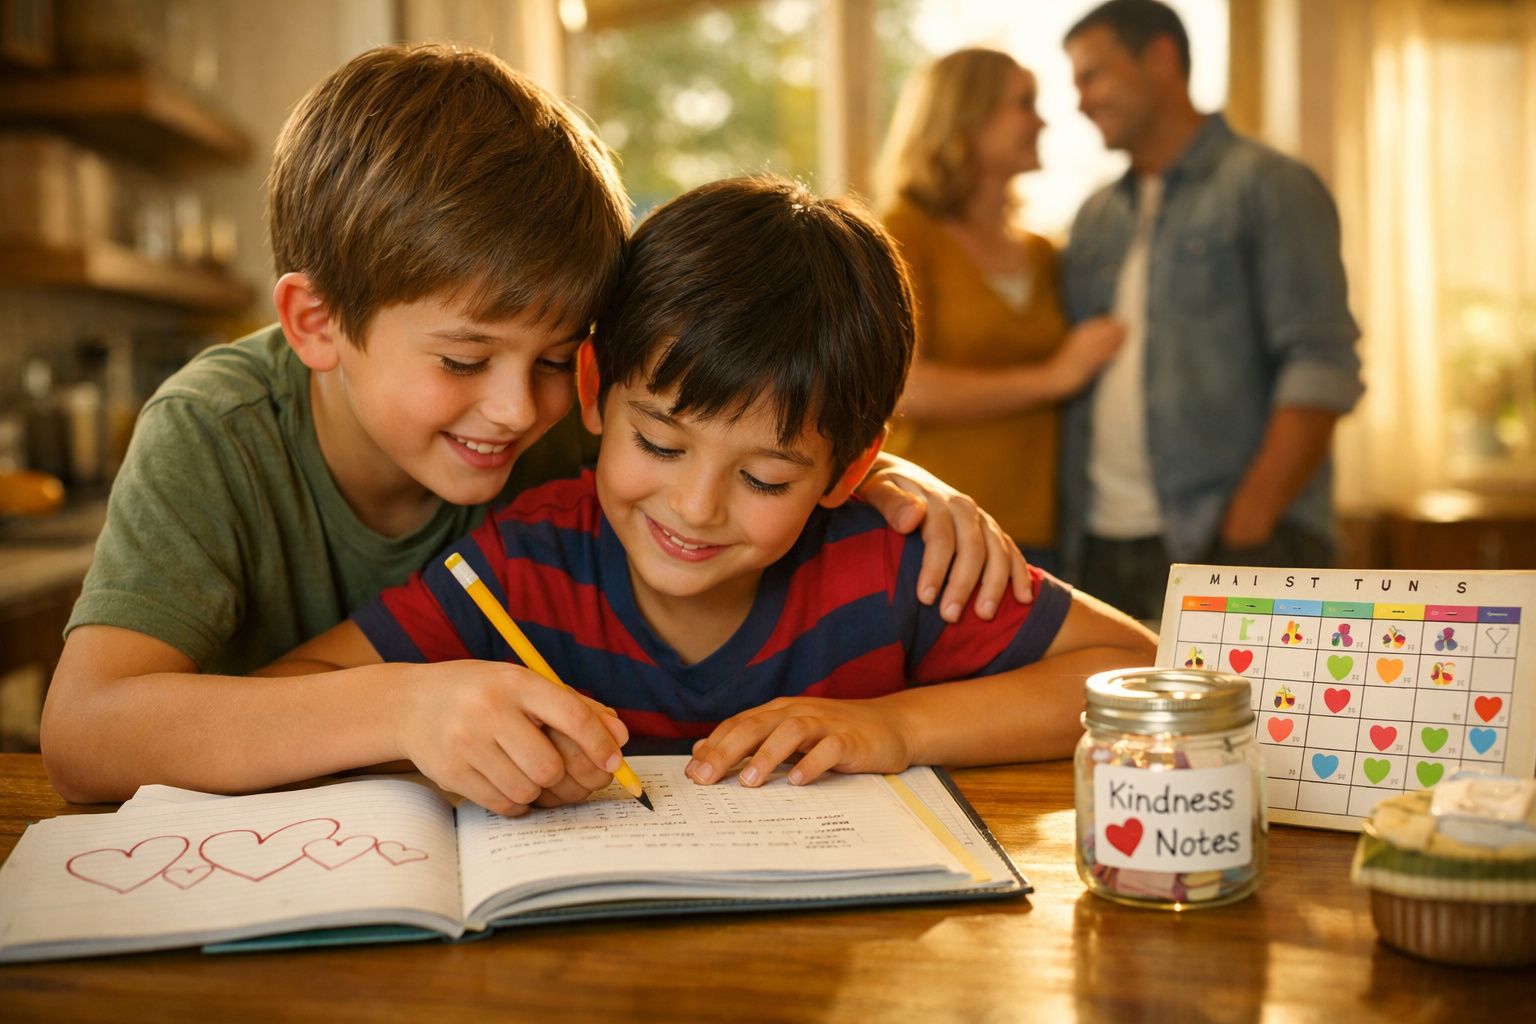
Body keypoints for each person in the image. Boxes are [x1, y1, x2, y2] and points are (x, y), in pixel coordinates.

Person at [40, 45, 1034, 807]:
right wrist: (403, 705)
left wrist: (885, 475)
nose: (520, 405)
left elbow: (714, 424)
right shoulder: (217, 429)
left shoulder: (556, 425)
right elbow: (87, 734)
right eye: (464, 360)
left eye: (558, 358)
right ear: (317, 322)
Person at [269, 176, 1158, 812]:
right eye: (658, 441)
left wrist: (892, 730)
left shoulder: (889, 561)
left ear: (848, 472)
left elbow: (1132, 676)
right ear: (592, 392)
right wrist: (432, 725)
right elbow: (291, 687)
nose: (695, 507)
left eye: (766, 477)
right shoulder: (523, 562)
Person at [1058, 0, 1364, 622]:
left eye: (1094, 75)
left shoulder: (1270, 186)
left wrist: (1247, 527)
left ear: (1162, 59)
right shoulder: (1095, 217)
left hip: (1239, 542)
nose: (1081, 101)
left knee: (1266, 722)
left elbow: (1321, 364)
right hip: (1098, 550)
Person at [874, 48, 1125, 570]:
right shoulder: (904, 233)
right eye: (1024, 104)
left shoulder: (1042, 252)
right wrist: (1053, 378)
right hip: (931, 525)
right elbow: (904, 387)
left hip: (1039, 532)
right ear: (966, 116)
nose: (1041, 121)